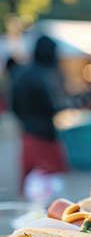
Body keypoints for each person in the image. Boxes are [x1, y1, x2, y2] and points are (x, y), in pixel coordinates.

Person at [11, 36, 68, 188]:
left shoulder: (22, 73)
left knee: (30, 182)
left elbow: (14, 106)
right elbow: (48, 108)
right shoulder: (40, 77)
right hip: (44, 137)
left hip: (28, 133)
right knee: (48, 184)